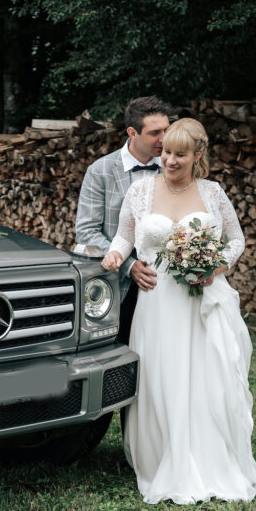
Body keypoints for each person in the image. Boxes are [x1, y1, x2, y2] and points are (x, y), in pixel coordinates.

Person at [101, 117, 256, 504]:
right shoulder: (141, 192)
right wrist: (116, 255)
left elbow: (236, 239)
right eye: (165, 153)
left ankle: (208, 458)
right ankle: (162, 456)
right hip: (157, 301)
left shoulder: (212, 193)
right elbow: (125, 235)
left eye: (180, 154)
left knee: (205, 377)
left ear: (198, 156)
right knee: (162, 376)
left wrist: (216, 268)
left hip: (200, 302)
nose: (170, 161)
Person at [75, 96, 171, 343]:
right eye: (154, 133)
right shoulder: (100, 171)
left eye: (167, 130)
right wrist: (129, 265)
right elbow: (87, 232)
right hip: (119, 284)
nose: (164, 139)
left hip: (168, 281)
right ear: (132, 132)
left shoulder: (174, 168)